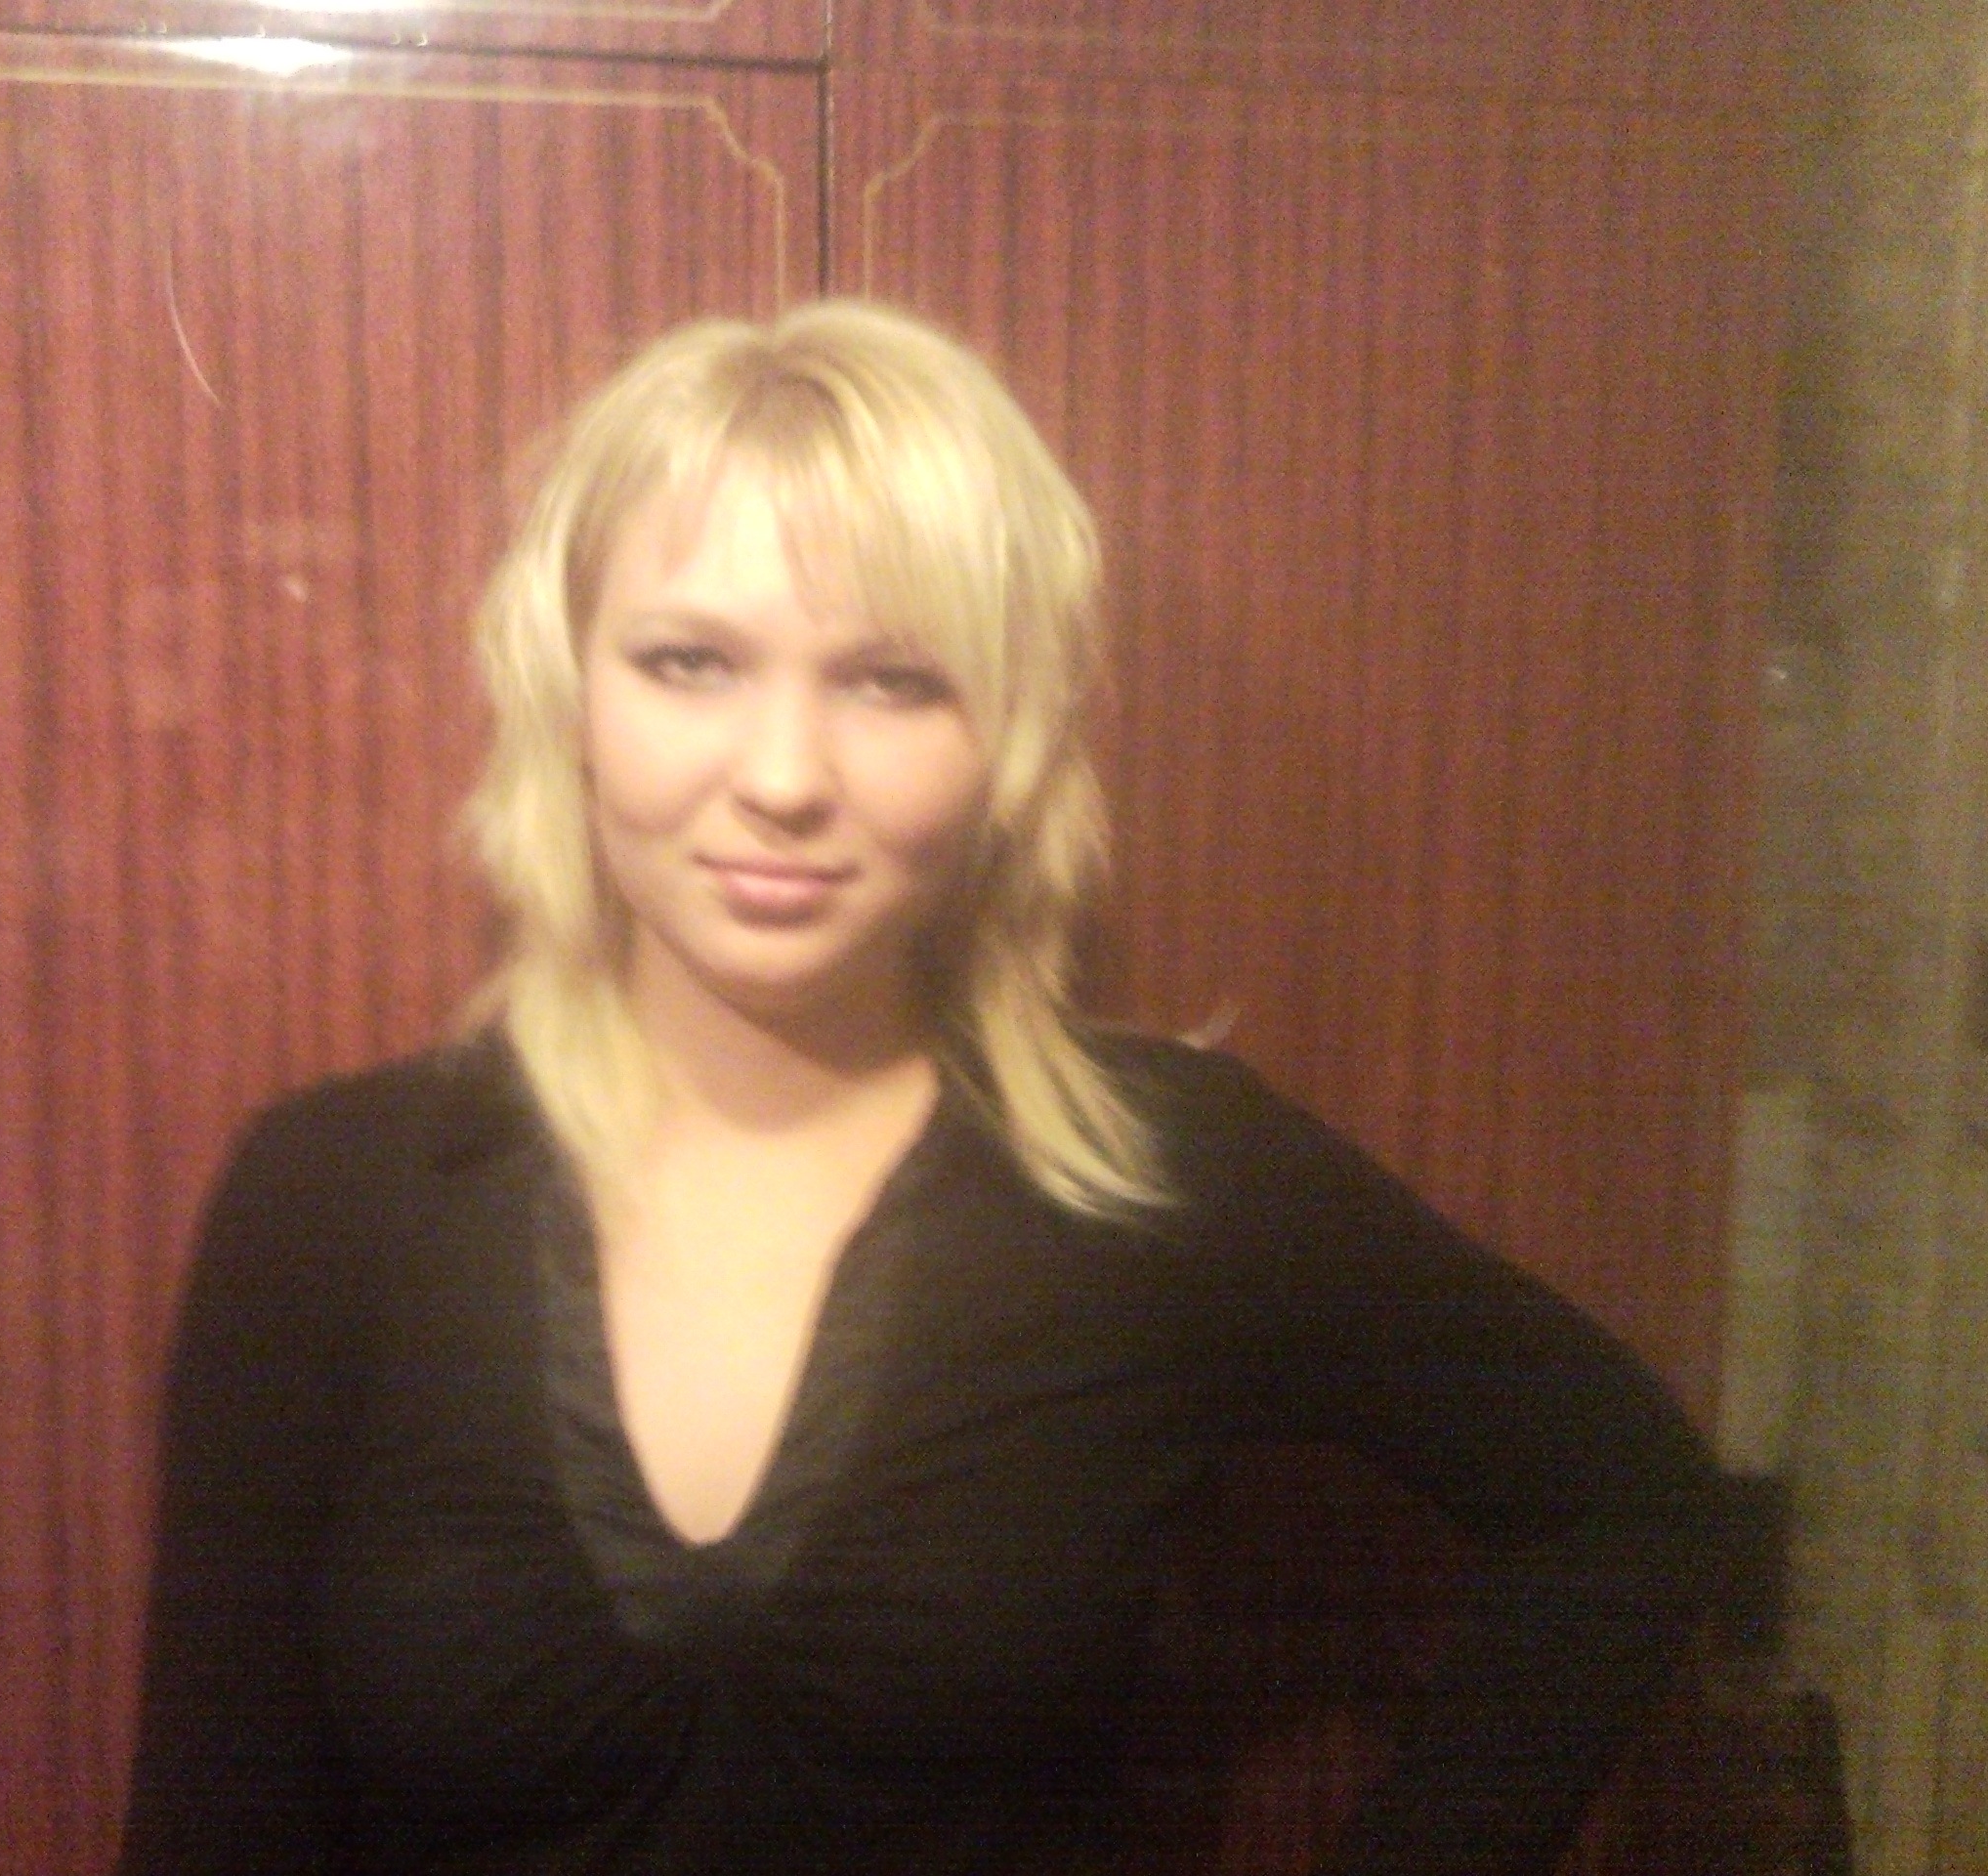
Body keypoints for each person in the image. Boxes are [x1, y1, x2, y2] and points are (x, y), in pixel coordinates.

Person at [118, 301, 1721, 1876]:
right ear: (572, 698)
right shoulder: (330, 1202)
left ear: (1010, 739)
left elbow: (1624, 1505)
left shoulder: (1166, 1176)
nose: (784, 777)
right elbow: (210, 1826)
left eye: (894, 681)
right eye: (689, 661)